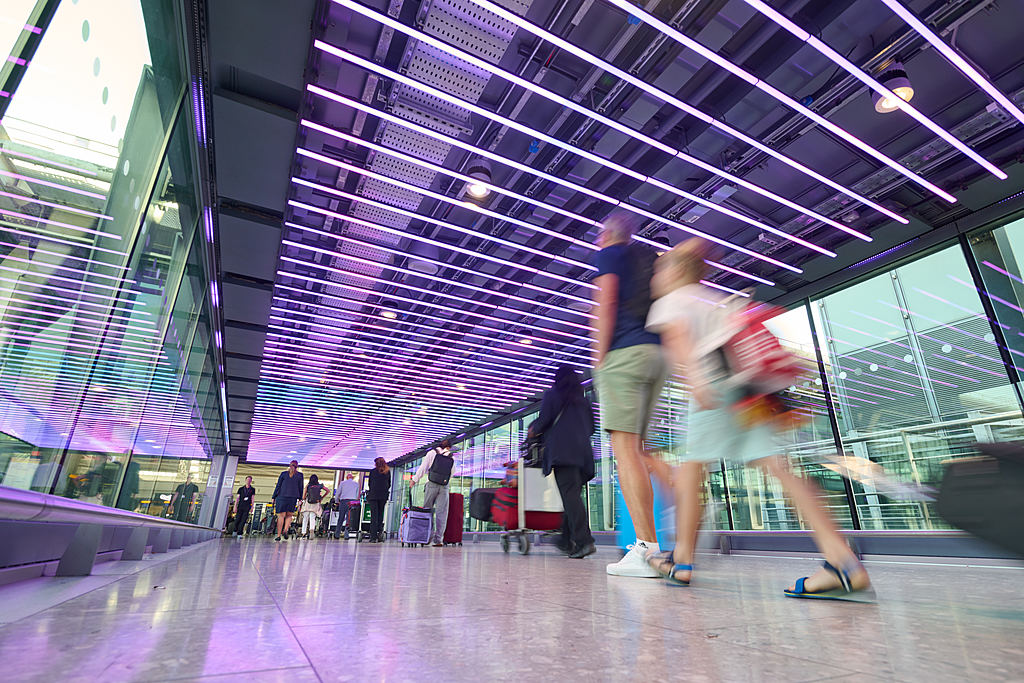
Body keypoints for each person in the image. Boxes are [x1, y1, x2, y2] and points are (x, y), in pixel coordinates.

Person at [643, 239, 873, 600]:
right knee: (780, 468)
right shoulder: (711, 299)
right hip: (745, 388)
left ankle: (681, 560)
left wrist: (697, 382)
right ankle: (842, 560)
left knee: (691, 468)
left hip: (712, 385)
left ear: (674, 271)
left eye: (659, 269)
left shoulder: (672, 301)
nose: (655, 276)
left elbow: (680, 339)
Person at [592, 211, 667, 577]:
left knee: (625, 452)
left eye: (599, 236)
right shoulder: (650, 260)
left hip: (624, 355)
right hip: (656, 354)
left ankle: (647, 551)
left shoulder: (612, 254)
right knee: (639, 451)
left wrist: (600, 357)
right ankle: (670, 523)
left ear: (608, 235)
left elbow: (605, 304)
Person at [530, 365, 597, 559]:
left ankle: (585, 541)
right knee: (572, 496)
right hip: (583, 456)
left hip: (562, 454)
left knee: (570, 497)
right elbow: (591, 428)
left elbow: (543, 422)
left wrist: (534, 429)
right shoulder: (584, 401)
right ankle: (566, 541)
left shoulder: (553, 395)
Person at [411, 439, 453, 547]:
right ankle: (438, 540)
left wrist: (414, 480)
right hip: (444, 487)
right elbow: (452, 473)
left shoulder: (432, 453)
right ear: (448, 447)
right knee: (442, 513)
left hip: (431, 484)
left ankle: (425, 537)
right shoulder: (450, 456)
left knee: (427, 511)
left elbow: (423, 468)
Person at [272, 460, 303, 541]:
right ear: (297, 466)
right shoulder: (300, 475)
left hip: (282, 496)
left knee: (281, 516)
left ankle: (278, 535)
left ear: (289, 465)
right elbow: (301, 487)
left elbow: (278, 486)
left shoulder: (283, 474)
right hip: (293, 497)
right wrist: (300, 499)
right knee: (289, 515)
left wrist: (273, 496)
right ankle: (285, 530)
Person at [367, 457, 391, 542]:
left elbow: (370, 484)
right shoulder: (387, 472)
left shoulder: (373, 472)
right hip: (383, 496)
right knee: (380, 515)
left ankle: (373, 537)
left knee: (374, 516)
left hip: (373, 496)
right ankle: (380, 534)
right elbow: (389, 484)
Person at [336, 473, 362, 539]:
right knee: (349, 519)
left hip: (343, 501)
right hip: (352, 502)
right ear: (352, 478)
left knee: (341, 518)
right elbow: (357, 495)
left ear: (346, 477)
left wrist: (336, 501)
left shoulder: (342, 483)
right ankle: (346, 535)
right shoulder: (356, 484)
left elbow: (338, 492)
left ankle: (337, 534)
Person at [301, 474, 327, 539]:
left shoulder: (308, 486)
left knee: (305, 518)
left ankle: (303, 533)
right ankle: (311, 530)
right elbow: (328, 490)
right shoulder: (319, 485)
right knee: (312, 518)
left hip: (308, 503)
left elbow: (303, 496)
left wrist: (303, 499)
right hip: (315, 503)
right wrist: (322, 498)